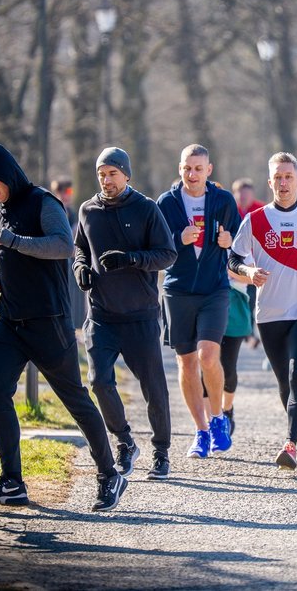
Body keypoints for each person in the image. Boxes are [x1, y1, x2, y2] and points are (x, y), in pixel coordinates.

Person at [0, 143, 127, 511]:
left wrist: (14, 241)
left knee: (75, 400)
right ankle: (12, 481)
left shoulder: (43, 202)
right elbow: (14, 261)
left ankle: (109, 473)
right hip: (10, 319)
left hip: (48, 322)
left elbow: (61, 246)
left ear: (8, 174)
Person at [74, 146, 177, 480]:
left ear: (126, 175)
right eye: (101, 174)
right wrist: (80, 269)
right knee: (99, 382)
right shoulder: (88, 210)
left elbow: (167, 254)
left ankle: (161, 451)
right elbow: (79, 248)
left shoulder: (146, 208)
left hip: (141, 315)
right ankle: (124, 441)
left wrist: (132, 259)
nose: (106, 180)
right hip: (101, 315)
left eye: (112, 174)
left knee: (154, 389)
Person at [228, 152, 297, 473]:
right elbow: (233, 259)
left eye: (289, 177)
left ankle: (289, 443)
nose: (283, 183)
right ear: (270, 182)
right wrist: (248, 272)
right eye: (278, 178)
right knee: (284, 386)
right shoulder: (255, 221)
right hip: (269, 312)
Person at [157, 144, 240, 459]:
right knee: (187, 361)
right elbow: (157, 244)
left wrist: (228, 241)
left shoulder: (222, 200)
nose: (191, 174)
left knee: (208, 355)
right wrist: (180, 238)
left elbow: (237, 241)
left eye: (197, 168)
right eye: (186, 168)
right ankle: (201, 431)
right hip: (178, 290)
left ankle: (218, 418)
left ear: (209, 169)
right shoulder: (166, 203)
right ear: (180, 169)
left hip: (214, 289)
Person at [232, 178, 265, 348]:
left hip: (256, 263)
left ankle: (250, 332)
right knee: (241, 298)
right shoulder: (231, 210)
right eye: (239, 194)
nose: (243, 197)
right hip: (235, 263)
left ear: (252, 194)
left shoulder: (261, 210)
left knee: (253, 299)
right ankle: (246, 332)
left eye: (246, 194)